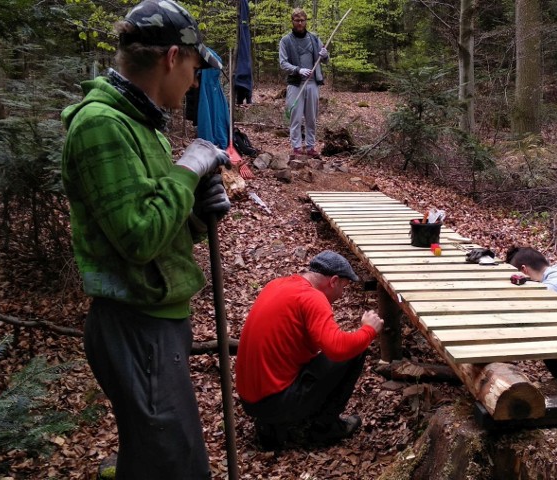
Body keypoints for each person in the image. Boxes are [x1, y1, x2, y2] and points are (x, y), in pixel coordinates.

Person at [60, 1, 231, 478]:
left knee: (157, 459)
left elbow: (157, 229)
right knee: (177, 467)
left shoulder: (140, 123)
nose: (194, 82)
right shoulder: (101, 125)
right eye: (195, 68)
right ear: (172, 58)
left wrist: (196, 217)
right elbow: (138, 238)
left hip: (155, 321)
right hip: (134, 326)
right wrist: (187, 169)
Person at [235, 251, 384, 449]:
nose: (341, 295)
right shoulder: (312, 298)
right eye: (343, 287)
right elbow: (338, 349)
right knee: (355, 350)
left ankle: (271, 424)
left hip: (251, 400)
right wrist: (368, 330)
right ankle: (325, 427)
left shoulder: (278, 285)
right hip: (274, 402)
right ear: (334, 281)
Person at [279, 8, 329, 157]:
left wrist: (325, 55)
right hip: (296, 84)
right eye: (297, 20)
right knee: (295, 116)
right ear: (292, 21)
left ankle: (311, 147)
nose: (300, 23)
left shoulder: (314, 38)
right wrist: (298, 70)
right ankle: (296, 147)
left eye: (302, 20)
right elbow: (283, 63)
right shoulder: (286, 41)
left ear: (306, 21)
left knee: (311, 117)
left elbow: (325, 60)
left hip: (313, 83)